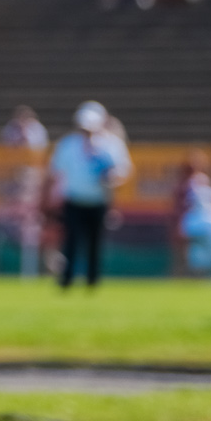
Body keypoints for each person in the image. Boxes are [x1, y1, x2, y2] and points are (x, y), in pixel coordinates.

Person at [48, 101, 132, 291]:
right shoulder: (68, 144)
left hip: (98, 201)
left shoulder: (111, 144)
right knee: (71, 240)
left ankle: (92, 280)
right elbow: (57, 171)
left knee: (95, 242)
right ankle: (67, 278)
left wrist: (112, 177)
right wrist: (54, 197)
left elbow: (123, 169)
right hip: (74, 200)